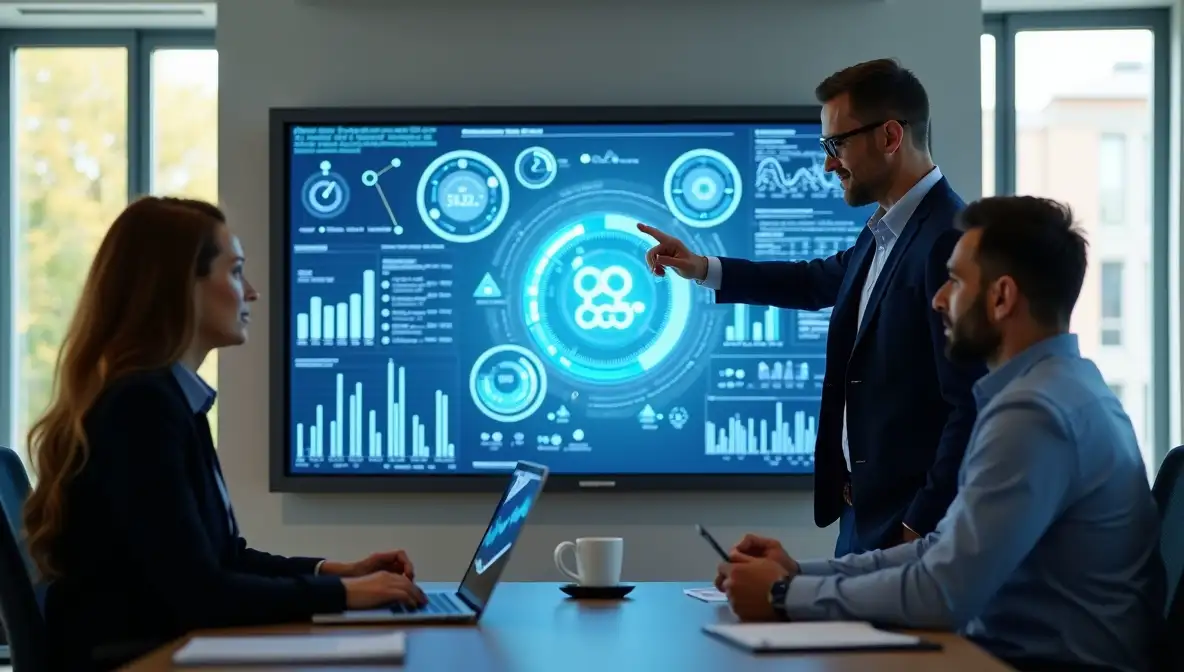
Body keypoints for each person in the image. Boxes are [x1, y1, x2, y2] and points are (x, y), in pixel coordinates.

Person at [715, 196, 1164, 672]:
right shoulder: (1063, 387)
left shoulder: (1035, 413)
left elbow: (942, 592)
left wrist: (783, 594)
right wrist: (798, 573)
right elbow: (941, 552)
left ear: (1001, 297)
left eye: (956, 281)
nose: (938, 298)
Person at [22, 197, 428, 671]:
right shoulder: (140, 408)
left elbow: (222, 558)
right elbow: (201, 593)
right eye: (235, 272)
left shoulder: (170, 400)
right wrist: (342, 594)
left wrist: (335, 573)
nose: (251, 292)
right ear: (181, 287)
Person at [641, 58, 984, 554]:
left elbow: (968, 402)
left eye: (836, 144)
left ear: (890, 136)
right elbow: (811, 282)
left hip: (905, 531)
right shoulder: (886, 232)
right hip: (865, 519)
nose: (828, 164)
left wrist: (917, 525)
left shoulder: (949, 239)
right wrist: (701, 267)